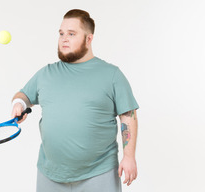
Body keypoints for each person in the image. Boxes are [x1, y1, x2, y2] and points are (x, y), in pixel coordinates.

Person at [11, 9, 139, 192]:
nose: (64, 39)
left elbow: (128, 116)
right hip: (50, 174)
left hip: (98, 173)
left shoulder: (112, 75)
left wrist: (129, 157)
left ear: (89, 39)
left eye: (71, 34)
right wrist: (19, 104)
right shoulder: (46, 73)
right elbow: (23, 95)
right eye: (61, 33)